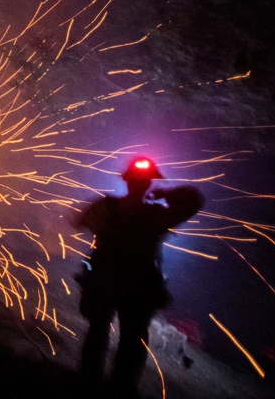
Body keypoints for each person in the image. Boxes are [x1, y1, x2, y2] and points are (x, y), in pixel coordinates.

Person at [76, 157, 204, 397]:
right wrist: (166, 194)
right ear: (148, 185)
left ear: (125, 181)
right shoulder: (157, 215)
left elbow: (77, 221)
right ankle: (121, 391)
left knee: (98, 332)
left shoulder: (104, 206)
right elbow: (195, 200)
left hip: (105, 279)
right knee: (132, 341)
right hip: (138, 285)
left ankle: (88, 384)